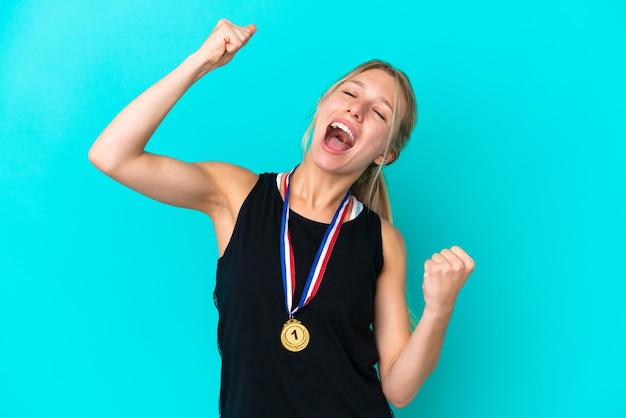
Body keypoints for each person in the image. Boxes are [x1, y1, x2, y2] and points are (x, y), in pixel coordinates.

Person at [89, 18, 474, 417]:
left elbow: (398, 388)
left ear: (384, 155)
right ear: (324, 104)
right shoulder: (238, 196)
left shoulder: (382, 240)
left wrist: (438, 309)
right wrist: (200, 63)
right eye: (348, 93)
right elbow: (112, 155)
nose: (355, 110)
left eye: (379, 113)